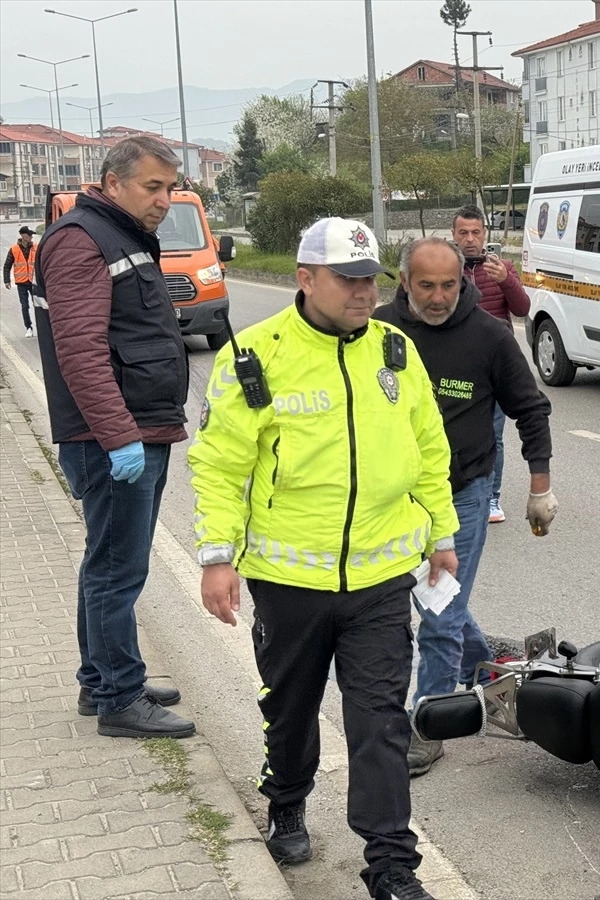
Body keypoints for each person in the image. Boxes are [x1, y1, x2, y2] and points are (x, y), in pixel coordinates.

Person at [189, 217, 457, 900]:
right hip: (289, 583)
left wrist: (443, 538)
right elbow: (220, 466)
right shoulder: (255, 357)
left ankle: (392, 867)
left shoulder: (396, 352)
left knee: (379, 722)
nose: (365, 292)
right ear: (306, 279)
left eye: (372, 279)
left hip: (377, 583)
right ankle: (286, 799)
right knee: (291, 710)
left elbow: (429, 452)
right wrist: (217, 557)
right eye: (349, 279)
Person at [32, 135, 195, 739]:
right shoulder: (81, 241)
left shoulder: (118, 235)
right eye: (152, 187)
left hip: (135, 428)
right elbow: (80, 350)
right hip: (112, 437)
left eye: (170, 187)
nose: (164, 200)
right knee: (117, 571)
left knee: (108, 563)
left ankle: (100, 679)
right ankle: (120, 699)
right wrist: (118, 435)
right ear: (111, 181)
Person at [374, 237, 556, 777]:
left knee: (437, 610)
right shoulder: (381, 332)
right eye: (425, 285)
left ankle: (427, 725)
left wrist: (539, 487)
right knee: (440, 602)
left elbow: (531, 407)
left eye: (448, 285)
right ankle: (489, 666)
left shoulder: (489, 336)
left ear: (464, 281)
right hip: (393, 499)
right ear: (405, 282)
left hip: (461, 497)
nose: (437, 297)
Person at [449, 205, 532, 524]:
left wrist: (507, 281)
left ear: (485, 234)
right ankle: (455, 491)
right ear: (453, 236)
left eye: (476, 232)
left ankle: (491, 497)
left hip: (495, 366)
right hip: (456, 365)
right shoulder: (446, 270)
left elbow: (523, 308)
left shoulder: (502, 267)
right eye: (463, 233)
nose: (470, 239)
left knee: (493, 434)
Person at [4, 225, 38, 336]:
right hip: (21, 282)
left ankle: (40, 326)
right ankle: (28, 327)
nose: (31, 237)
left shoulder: (36, 247)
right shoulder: (14, 249)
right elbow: (7, 266)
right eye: (29, 235)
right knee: (25, 306)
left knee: (38, 305)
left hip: (34, 282)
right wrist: (7, 280)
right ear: (23, 235)